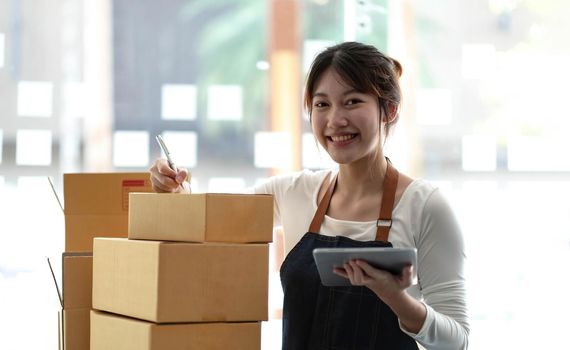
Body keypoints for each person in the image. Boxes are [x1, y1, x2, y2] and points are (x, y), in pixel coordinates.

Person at [149, 41, 469, 350]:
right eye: (322, 104)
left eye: (353, 101)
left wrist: (397, 298)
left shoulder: (426, 207)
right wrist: (173, 188)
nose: (335, 120)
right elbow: (205, 218)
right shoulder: (292, 193)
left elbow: (456, 341)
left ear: (389, 110)